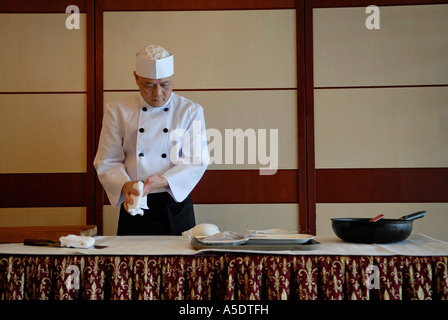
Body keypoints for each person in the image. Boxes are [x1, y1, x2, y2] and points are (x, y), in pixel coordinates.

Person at [94, 44, 209, 235]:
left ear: (173, 78)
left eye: (165, 84)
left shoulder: (190, 111)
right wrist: (125, 185)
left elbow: (196, 160)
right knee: (132, 263)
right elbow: (107, 160)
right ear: (136, 78)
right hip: (134, 202)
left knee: (181, 265)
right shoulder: (117, 111)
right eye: (149, 85)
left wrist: (163, 181)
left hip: (175, 205)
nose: (158, 93)